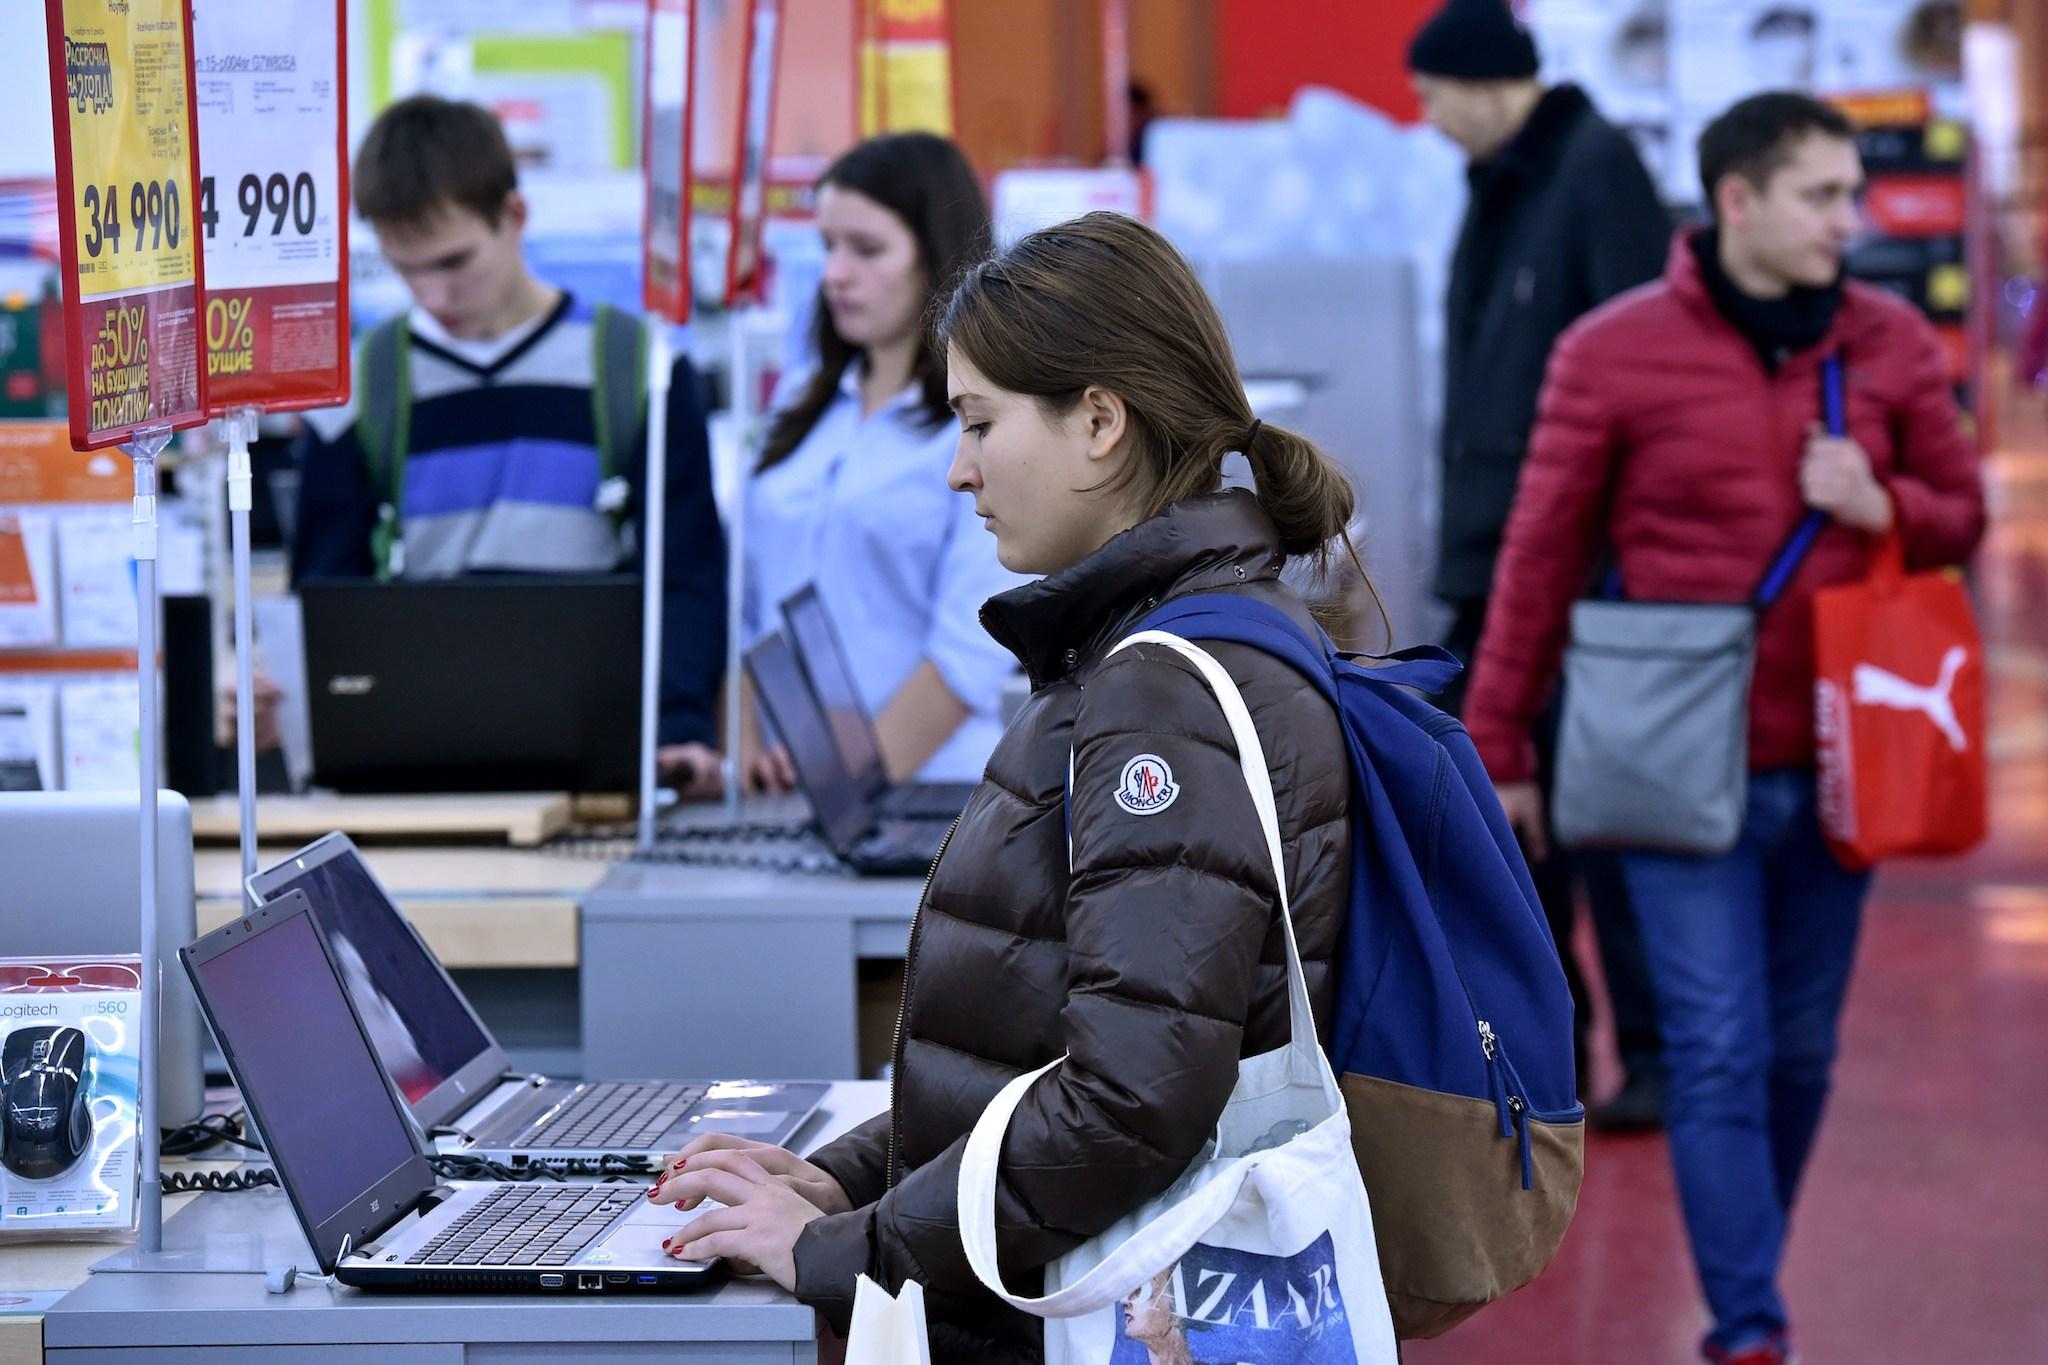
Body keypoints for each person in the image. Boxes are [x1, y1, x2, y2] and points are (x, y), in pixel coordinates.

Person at [647, 213, 1359, 1361]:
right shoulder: (1170, 644)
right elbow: (1044, 1060)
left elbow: (1129, 1105)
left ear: (1096, 422)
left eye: (979, 422)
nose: (959, 466)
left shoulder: (1159, 693)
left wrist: (848, 1252)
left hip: (1089, 1315)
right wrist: (845, 1185)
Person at [1464, 93, 1986, 1365]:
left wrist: (1884, 503)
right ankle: (1747, 1328)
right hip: (1671, 764)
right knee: (1714, 1046)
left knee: (1798, 1053)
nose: (1844, 222)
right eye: (1817, 195)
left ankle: (1747, 1258)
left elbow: (1961, 516)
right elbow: (1537, 558)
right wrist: (1499, 748)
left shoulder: (1890, 344)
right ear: (1734, 201)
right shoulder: (1610, 350)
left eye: (1851, 195)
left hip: (1843, 761)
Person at [292, 96, 727, 796]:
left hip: (601, 764)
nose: (434, 292)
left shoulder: (640, 368)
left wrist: (682, 727)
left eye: (453, 260)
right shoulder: (353, 394)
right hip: (414, 763)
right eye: (407, 268)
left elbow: (687, 573)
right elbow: (324, 601)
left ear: (514, 216)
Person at [1408, 0, 1672, 1127]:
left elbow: (1633, 370)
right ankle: (1553, 1049)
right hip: (1493, 556)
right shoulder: (1504, 183)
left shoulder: (1592, 171)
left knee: (1590, 823)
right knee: (1517, 821)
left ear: (1482, 83)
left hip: (1572, 565)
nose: (1424, 118)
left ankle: (1646, 1057)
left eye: (1430, 92)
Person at [743, 133, 1022, 789]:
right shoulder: (799, 404)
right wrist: (748, 755)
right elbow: (750, 612)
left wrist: (851, 785)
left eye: (866, 249)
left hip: (929, 795)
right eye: (828, 247)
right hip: (788, 795)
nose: (836, 273)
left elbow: (968, 646)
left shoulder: (980, 422)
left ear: (937, 257)